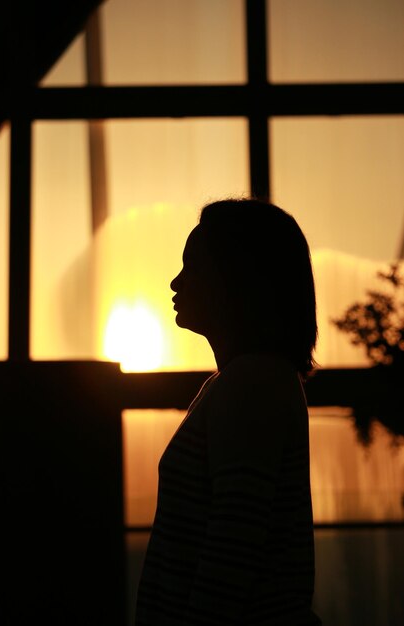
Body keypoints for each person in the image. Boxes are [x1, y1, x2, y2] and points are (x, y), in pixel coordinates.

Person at [134, 197, 322, 625]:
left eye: (193, 266)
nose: (176, 283)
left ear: (235, 279)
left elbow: (232, 548)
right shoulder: (243, 382)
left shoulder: (252, 382)